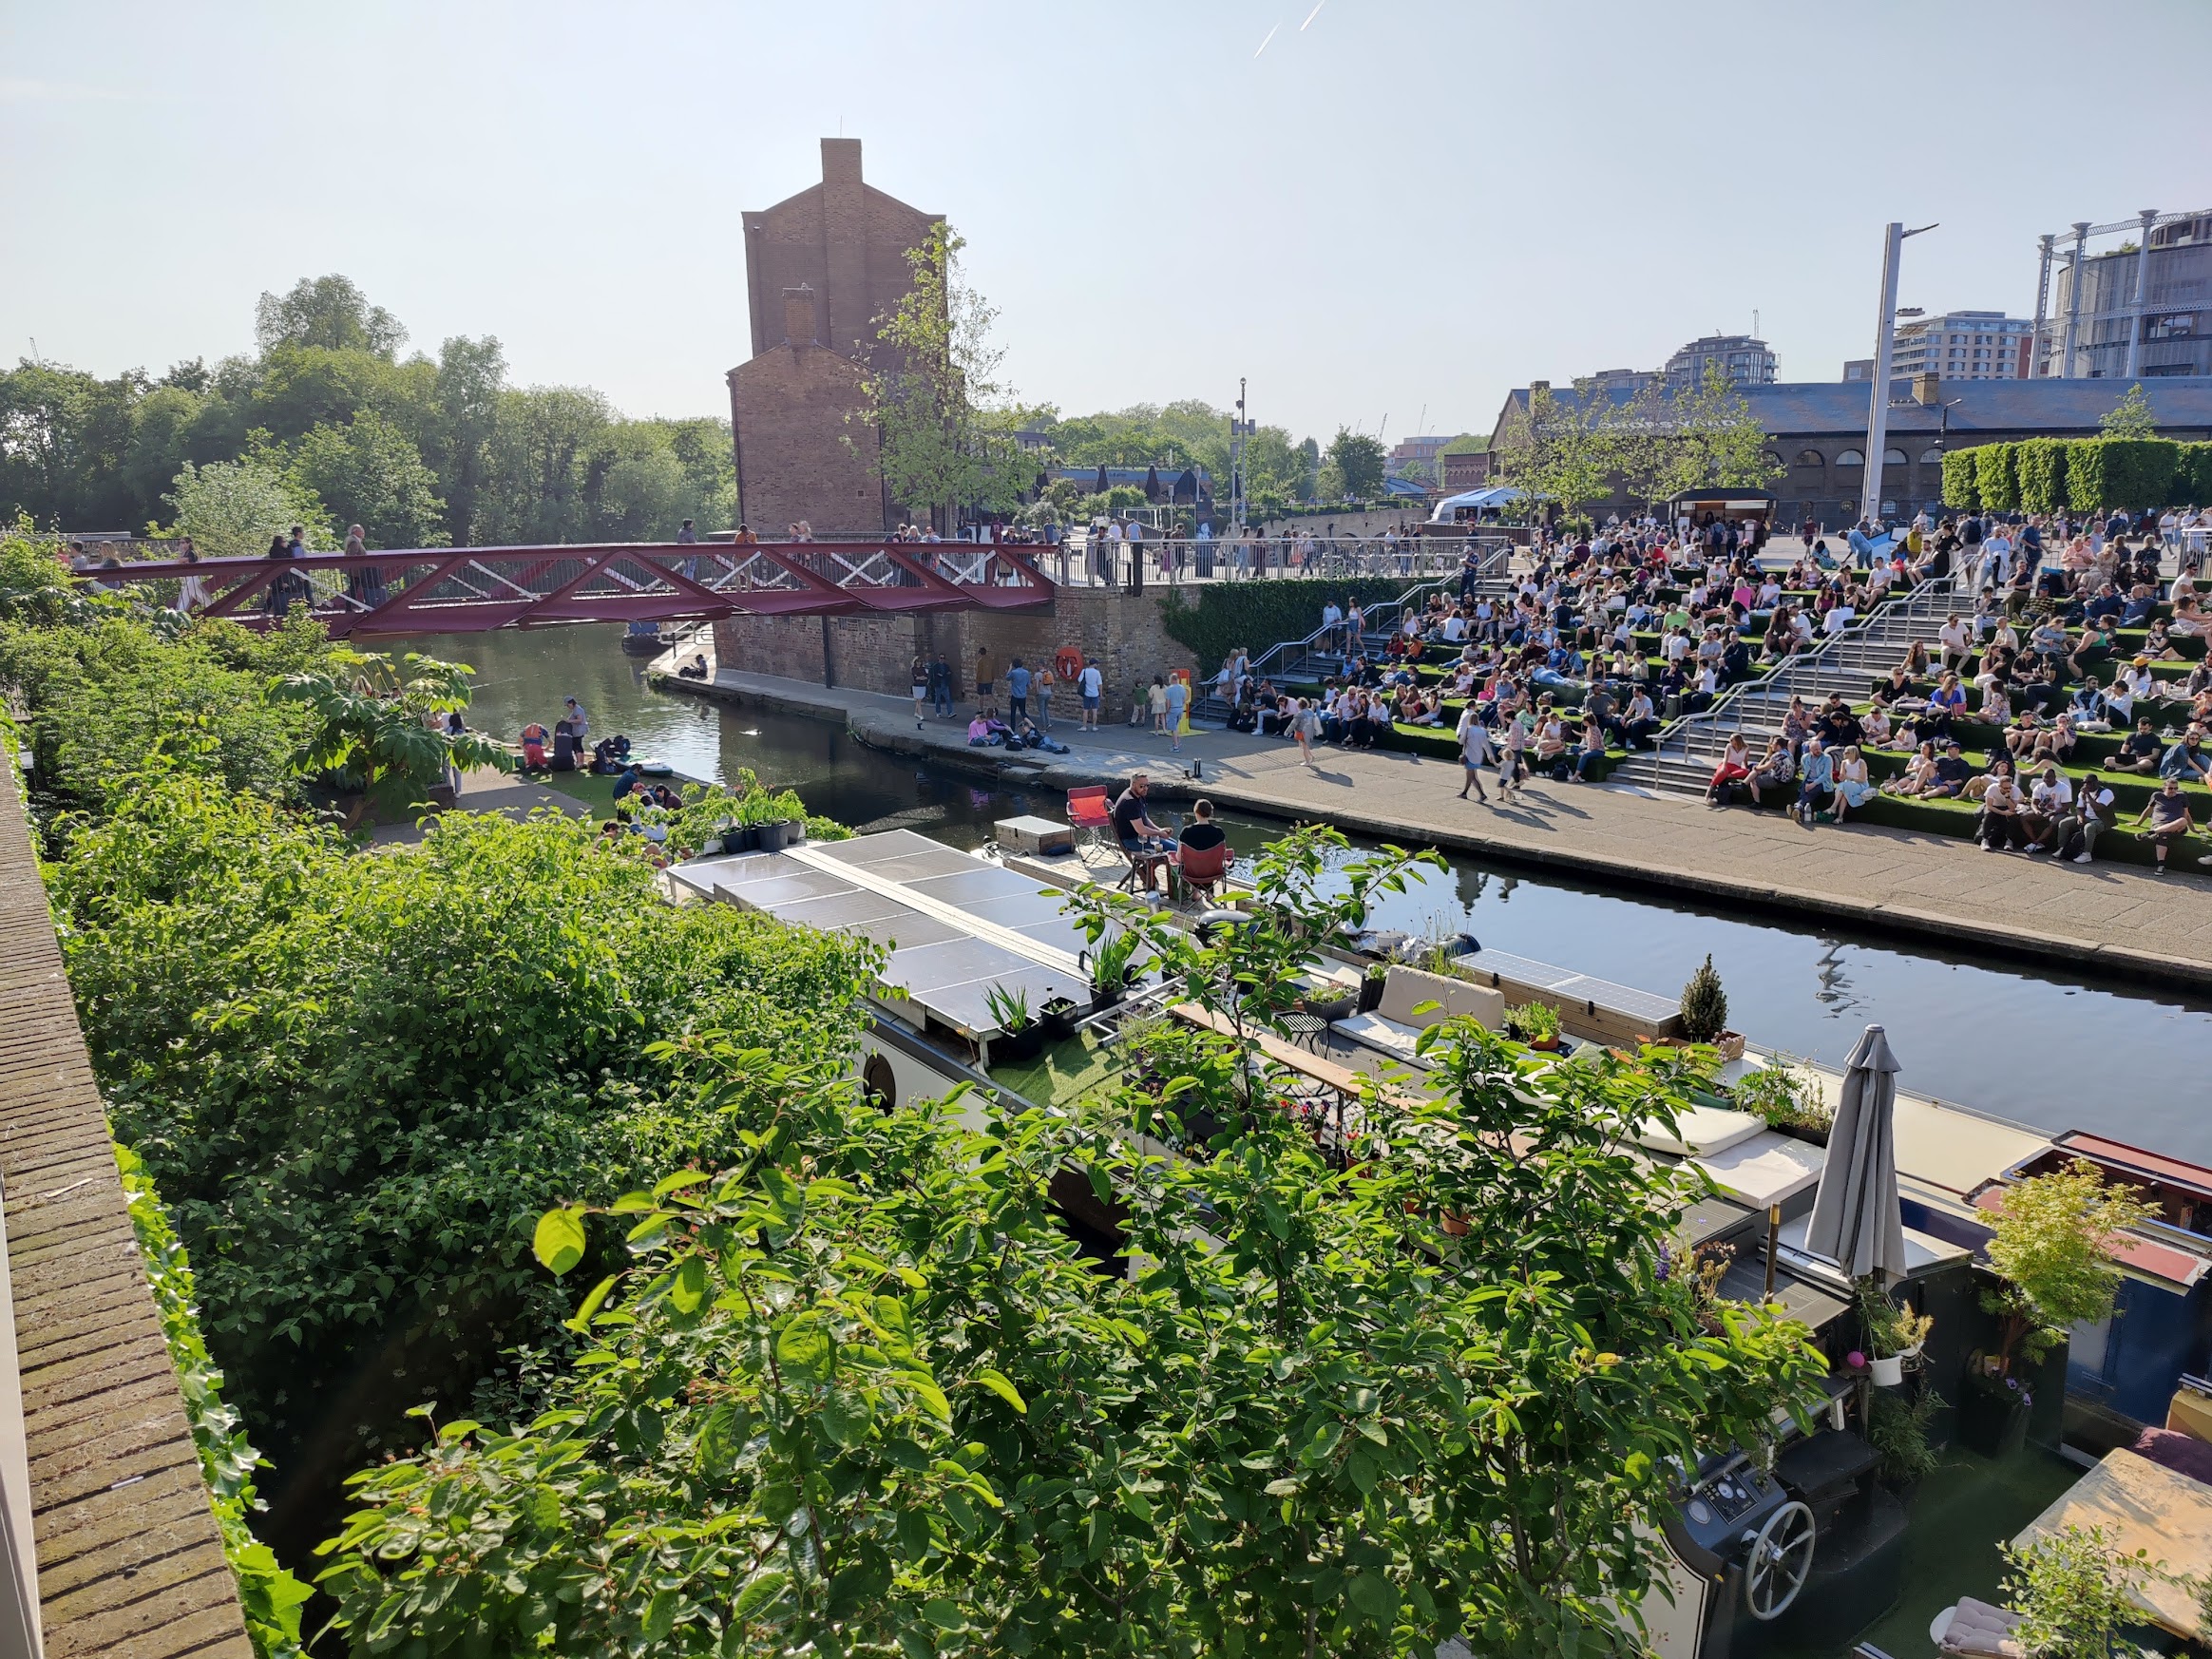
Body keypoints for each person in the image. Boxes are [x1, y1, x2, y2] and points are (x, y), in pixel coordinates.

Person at [1110, 773, 1174, 893]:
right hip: (1134, 840)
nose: (1145, 788)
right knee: (1175, 851)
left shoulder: (1139, 795)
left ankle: (1147, 871)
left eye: (1147, 785)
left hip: (1142, 837)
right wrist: (1159, 834)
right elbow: (1141, 829)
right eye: (1142, 786)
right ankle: (1178, 886)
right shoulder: (1129, 802)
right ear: (1133, 785)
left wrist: (1159, 830)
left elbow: (1144, 819)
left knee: (1176, 845)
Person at [2133, 778, 2200, 873]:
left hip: (2178, 825)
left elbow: (2186, 814)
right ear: (2164, 788)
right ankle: (2161, 866)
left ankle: (2152, 833)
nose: (2173, 791)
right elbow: (2148, 810)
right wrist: (2138, 823)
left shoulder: (2182, 796)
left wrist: (2193, 829)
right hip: (2160, 824)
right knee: (2163, 835)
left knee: (2183, 820)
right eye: (2170, 788)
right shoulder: (2157, 795)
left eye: (2176, 788)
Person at [2057, 773, 2116, 865]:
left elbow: (2098, 808)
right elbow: (2080, 808)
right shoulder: (2082, 793)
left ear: (2096, 783)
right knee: (2064, 823)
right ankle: (2063, 849)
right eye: (2084, 782)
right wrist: (2080, 818)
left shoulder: (2106, 792)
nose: (2086, 785)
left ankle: (2086, 854)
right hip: (2087, 817)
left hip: (2103, 820)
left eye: (2089, 782)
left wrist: (2088, 795)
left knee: (2089, 827)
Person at [1456, 705, 1496, 802]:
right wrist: (1490, 755)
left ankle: (1468, 793)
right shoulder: (1482, 731)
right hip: (1478, 756)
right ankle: (1477, 794)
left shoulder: (1468, 729)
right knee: (1473, 776)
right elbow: (1486, 744)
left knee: (1471, 776)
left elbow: (1461, 741)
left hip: (1470, 755)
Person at [172, 538, 208, 614]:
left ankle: (180, 613)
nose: (182, 544)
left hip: (193, 577)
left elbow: (181, 561)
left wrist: (180, 560)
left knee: (186, 594)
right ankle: (212, 606)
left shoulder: (191, 552)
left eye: (183, 542)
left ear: (189, 543)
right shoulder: (185, 552)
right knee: (198, 595)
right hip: (188, 578)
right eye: (180, 543)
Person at [1163, 673, 1189, 754]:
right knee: (1176, 726)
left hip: (1173, 710)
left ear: (1172, 679)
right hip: (1180, 709)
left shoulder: (1169, 689)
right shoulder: (1182, 688)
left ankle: (1176, 746)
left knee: (1173, 729)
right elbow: (1184, 700)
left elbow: (1168, 702)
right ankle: (1177, 741)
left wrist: (1167, 710)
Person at [1079, 657, 1103, 731]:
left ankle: (1084, 726)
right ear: (1094, 664)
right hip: (1095, 694)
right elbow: (1100, 684)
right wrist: (1101, 694)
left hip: (1086, 693)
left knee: (1085, 710)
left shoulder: (1084, 671)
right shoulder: (1097, 672)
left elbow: (1079, 680)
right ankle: (1094, 726)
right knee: (1094, 711)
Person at [1007, 658, 1031, 725]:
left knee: (1013, 713)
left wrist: (1009, 669)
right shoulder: (1026, 672)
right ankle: (1030, 724)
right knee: (1023, 712)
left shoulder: (1014, 672)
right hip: (1023, 695)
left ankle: (1012, 728)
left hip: (1015, 695)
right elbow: (1028, 684)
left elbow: (1007, 677)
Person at [974, 646, 996, 715]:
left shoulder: (980, 661)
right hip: (989, 680)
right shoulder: (990, 660)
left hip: (982, 681)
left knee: (981, 695)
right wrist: (992, 678)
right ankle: (994, 708)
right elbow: (993, 671)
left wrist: (977, 681)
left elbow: (979, 673)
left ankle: (981, 709)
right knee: (989, 695)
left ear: (980, 653)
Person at [912, 654, 930, 731]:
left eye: (920, 662)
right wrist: (921, 677)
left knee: (919, 699)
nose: (918, 663)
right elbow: (916, 678)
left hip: (922, 685)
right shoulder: (913, 669)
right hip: (916, 686)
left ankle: (916, 712)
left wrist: (921, 678)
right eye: (917, 662)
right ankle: (921, 715)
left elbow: (926, 677)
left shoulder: (923, 669)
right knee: (919, 700)